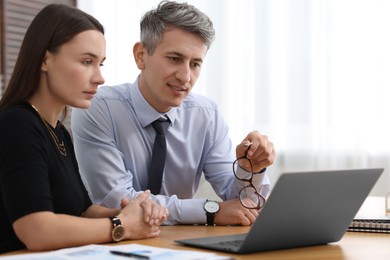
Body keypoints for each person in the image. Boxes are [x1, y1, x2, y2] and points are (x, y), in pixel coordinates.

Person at [71, 0, 275, 226]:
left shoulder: (206, 116)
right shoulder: (99, 108)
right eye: (174, 59)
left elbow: (240, 204)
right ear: (141, 55)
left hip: (179, 244)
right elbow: (117, 200)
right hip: (110, 242)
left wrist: (249, 169)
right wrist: (210, 211)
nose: (186, 77)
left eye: (195, 63)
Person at [0, 4, 168, 254]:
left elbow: (82, 211)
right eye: (87, 61)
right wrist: (121, 226)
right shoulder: (16, 124)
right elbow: (36, 230)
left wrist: (132, 212)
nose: (100, 77)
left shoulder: (58, 132)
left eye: (100, 63)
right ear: (45, 60)